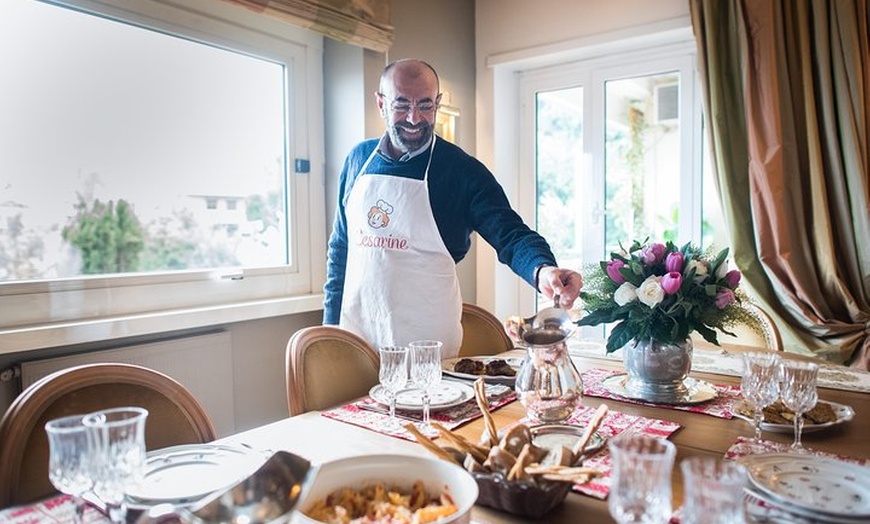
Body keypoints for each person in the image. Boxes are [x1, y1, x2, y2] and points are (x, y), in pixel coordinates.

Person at [323, 58, 582, 358]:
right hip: (358, 340)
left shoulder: (462, 170)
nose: (413, 118)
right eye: (401, 104)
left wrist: (543, 269)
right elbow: (341, 249)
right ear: (381, 103)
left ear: (438, 103)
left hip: (427, 345)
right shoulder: (357, 159)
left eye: (425, 105)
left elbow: (510, 233)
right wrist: (330, 332)